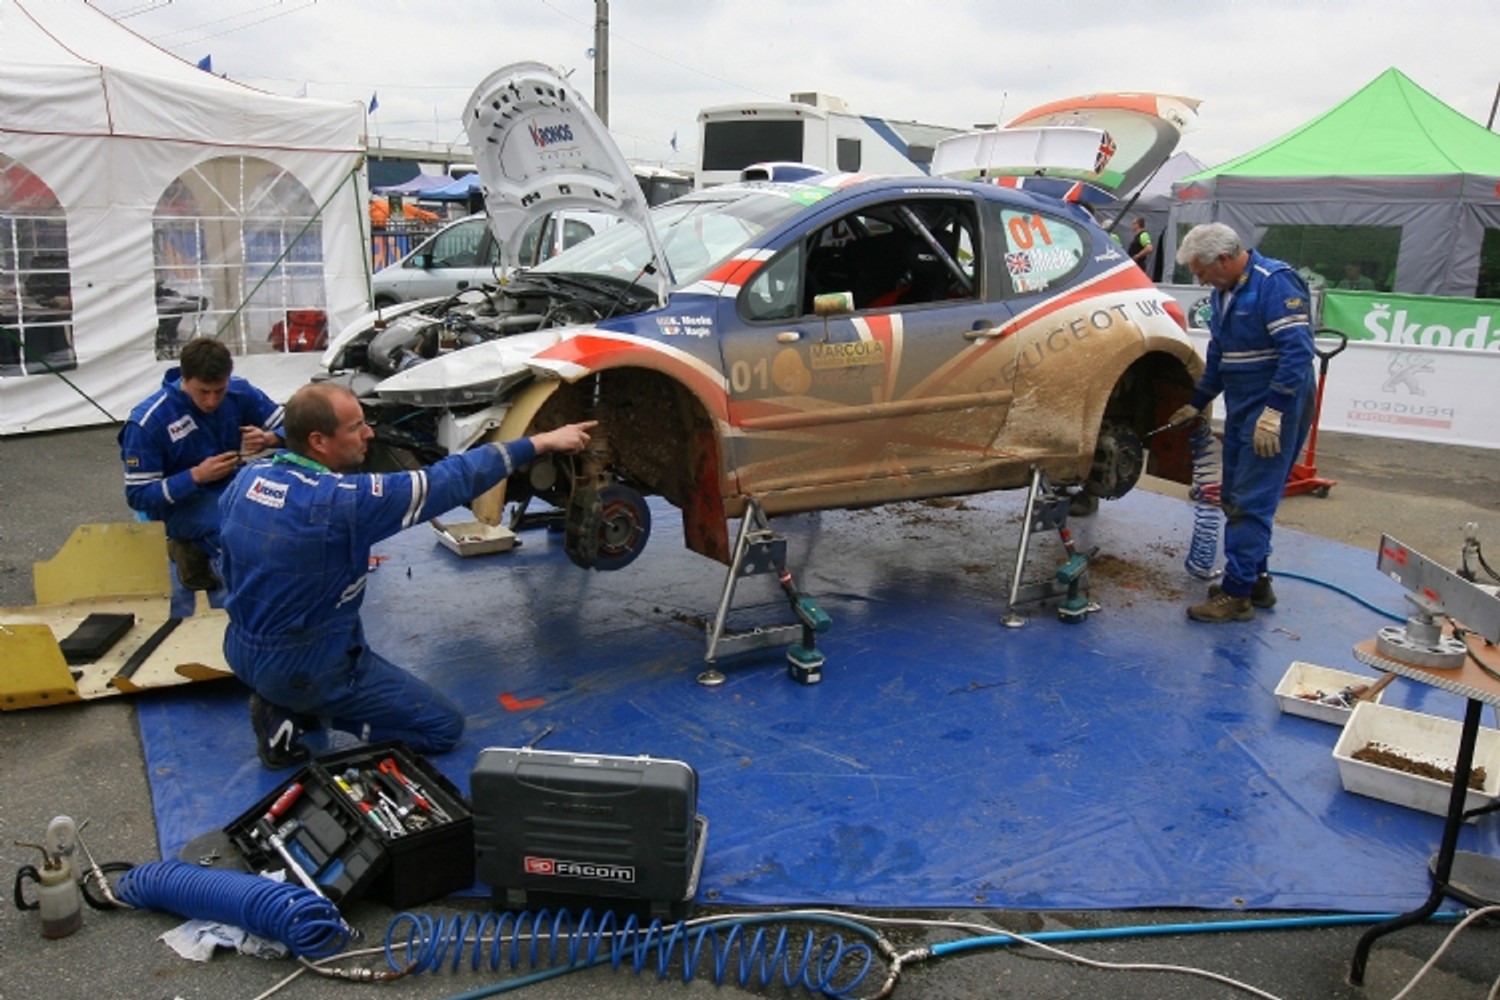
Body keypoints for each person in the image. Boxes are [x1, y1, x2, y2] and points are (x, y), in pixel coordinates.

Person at [218, 382, 596, 767]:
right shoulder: (341, 503)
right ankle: (302, 708)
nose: (369, 434)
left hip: (240, 649)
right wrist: (539, 442)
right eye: (356, 427)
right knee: (442, 727)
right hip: (306, 666)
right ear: (318, 441)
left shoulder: (250, 478)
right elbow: (451, 478)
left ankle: (281, 694)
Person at [1169, 223, 1316, 623]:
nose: (1198, 279)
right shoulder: (1224, 293)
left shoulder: (1274, 285)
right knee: (1235, 493)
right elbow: (1219, 355)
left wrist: (1274, 412)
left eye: (1200, 271)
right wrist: (1197, 403)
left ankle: (1236, 596)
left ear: (1223, 258)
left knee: (1251, 498)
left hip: (1272, 404)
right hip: (1242, 402)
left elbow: (1297, 353)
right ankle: (1256, 581)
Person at [120, 337, 284, 592]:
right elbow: (139, 496)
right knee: (244, 530)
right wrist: (196, 475)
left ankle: (193, 549)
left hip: (233, 482)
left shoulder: (239, 391)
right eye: (203, 392)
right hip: (181, 504)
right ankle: (257, 593)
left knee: (288, 507)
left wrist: (271, 438)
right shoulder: (147, 422)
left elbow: (297, 426)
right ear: (184, 379)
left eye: (219, 391)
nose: (211, 401)